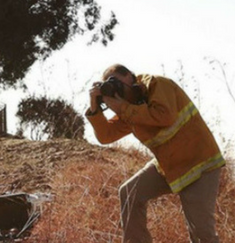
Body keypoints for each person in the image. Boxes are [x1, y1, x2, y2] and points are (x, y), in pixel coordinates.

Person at [86, 64, 225, 243]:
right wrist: (94, 107)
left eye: (117, 83)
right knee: (129, 193)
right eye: (112, 87)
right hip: (170, 166)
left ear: (130, 76)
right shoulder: (128, 106)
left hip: (199, 164)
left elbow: (165, 116)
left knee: (201, 233)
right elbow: (106, 136)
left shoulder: (157, 84)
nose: (118, 90)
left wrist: (123, 108)